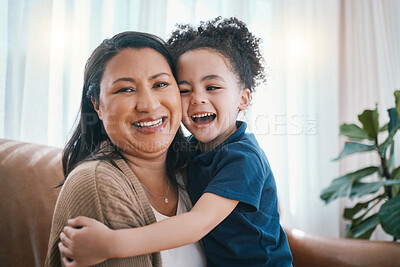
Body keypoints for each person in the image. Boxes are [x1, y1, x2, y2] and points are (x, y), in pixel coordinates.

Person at [58, 17, 293, 266]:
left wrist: (112, 244)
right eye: (184, 90)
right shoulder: (190, 151)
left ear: (243, 99)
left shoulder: (243, 158)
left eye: (212, 87)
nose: (197, 99)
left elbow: (198, 223)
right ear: (96, 105)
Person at [45, 31, 206, 267]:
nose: (149, 105)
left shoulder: (197, 168)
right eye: (125, 89)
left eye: (160, 84)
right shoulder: (99, 184)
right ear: (97, 106)